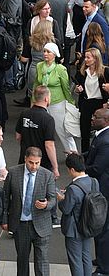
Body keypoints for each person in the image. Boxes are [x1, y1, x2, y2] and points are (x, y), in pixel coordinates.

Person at [1, 147, 56, 276]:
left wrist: (46, 204)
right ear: (25, 159)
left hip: (41, 225)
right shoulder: (14, 173)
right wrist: (4, 220)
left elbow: (53, 199)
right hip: (20, 225)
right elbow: (5, 198)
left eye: (37, 163)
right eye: (31, 162)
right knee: (22, 260)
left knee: (42, 262)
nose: (34, 166)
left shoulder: (47, 175)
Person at [57, 152, 99, 276]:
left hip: (73, 229)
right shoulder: (94, 182)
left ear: (72, 169)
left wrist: (61, 199)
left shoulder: (73, 189)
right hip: (89, 225)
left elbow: (66, 209)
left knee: (75, 260)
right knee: (86, 256)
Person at [34, 42, 77, 154]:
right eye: (44, 51)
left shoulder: (60, 69)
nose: (45, 54)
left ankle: (72, 153)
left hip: (57, 103)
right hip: (42, 103)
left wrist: (70, 102)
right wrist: (33, 100)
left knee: (62, 130)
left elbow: (66, 88)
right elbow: (36, 84)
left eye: (48, 52)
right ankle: (41, 153)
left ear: (55, 54)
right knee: (41, 129)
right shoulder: (39, 66)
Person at [85, 107, 109, 276]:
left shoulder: (106, 140)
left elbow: (97, 168)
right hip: (101, 189)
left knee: (103, 228)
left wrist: (80, 169)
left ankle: (104, 268)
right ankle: (101, 259)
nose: (92, 119)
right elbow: (93, 152)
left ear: (106, 121)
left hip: (104, 191)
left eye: (96, 117)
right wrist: (79, 155)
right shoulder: (101, 136)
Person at [75, 48, 109, 153]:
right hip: (86, 103)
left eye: (88, 57)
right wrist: (78, 89)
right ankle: (85, 154)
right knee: (84, 131)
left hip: (100, 104)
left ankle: (100, 153)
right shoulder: (82, 72)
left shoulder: (105, 71)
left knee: (101, 130)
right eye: (85, 57)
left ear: (95, 59)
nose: (85, 59)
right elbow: (78, 86)